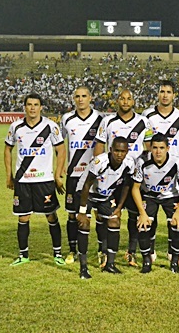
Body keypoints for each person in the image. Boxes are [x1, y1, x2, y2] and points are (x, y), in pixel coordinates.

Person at [4, 93, 66, 266]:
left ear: (41, 107)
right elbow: (7, 149)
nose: (32, 108)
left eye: (36, 104)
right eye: (29, 104)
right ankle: (23, 255)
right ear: (24, 107)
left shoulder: (50, 126)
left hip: (44, 180)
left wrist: (58, 174)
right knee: (23, 217)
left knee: (51, 216)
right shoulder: (16, 127)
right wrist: (9, 175)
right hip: (23, 181)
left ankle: (57, 254)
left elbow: (61, 150)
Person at [94, 89, 154, 268]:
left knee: (134, 214)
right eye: (122, 98)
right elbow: (99, 146)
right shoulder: (107, 121)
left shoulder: (144, 122)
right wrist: (99, 170)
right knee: (108, 214)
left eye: (129, 98)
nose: (126, 101)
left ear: (134, 101)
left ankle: (131, 252)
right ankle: (104, 251)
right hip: (112, 176)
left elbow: (149, 147)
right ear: (117, 100)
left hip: (134, 177)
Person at [75, 136, 136, 278]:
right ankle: (83, 268)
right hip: (87, 194)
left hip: (105, 196)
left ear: (127, 151)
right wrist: (82, 211)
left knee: (114, 220)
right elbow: (86, 185)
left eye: (122, 151)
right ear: (110, 150)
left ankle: (110, 264)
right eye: (116, 151)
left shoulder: (129, 163)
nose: (119, 154)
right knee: (84, 224)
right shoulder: (99, 162)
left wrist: (119, 207)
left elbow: (127, 185)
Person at [130, 133, 179, 274]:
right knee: (143, 226)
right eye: (155, 148)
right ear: (150, 148)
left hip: (171, 196)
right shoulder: (142, 161)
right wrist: (142, 213)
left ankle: (174, 260)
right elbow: (135, 188)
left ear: (168, 148)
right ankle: (147, 260)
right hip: (149, 196)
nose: (158, 151)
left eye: (162, 148)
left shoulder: (177, 162)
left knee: (178, 224)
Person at [141, 80, 179, 257]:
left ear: (173, 95)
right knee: (150, 213)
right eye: (162, 91)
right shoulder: (148, 115)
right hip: (153, 171)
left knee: (174, 214)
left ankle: (173, 252)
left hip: (174, 173)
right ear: (158, 94)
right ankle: (150, 251)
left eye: (169, 91)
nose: (165, 95)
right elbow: (147, 143)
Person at [60, 86, 103, 264]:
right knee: (72, 214)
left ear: (90, 98)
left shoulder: (101, 119)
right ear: (73, 99)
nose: (80, 99)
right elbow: (60, 145)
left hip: (95, 175)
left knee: (99, 214)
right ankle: (72, 250)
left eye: (84, 96)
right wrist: (61, 168)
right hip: (73, 174)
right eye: (77, 96)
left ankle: (101, 250)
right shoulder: (67, 119)